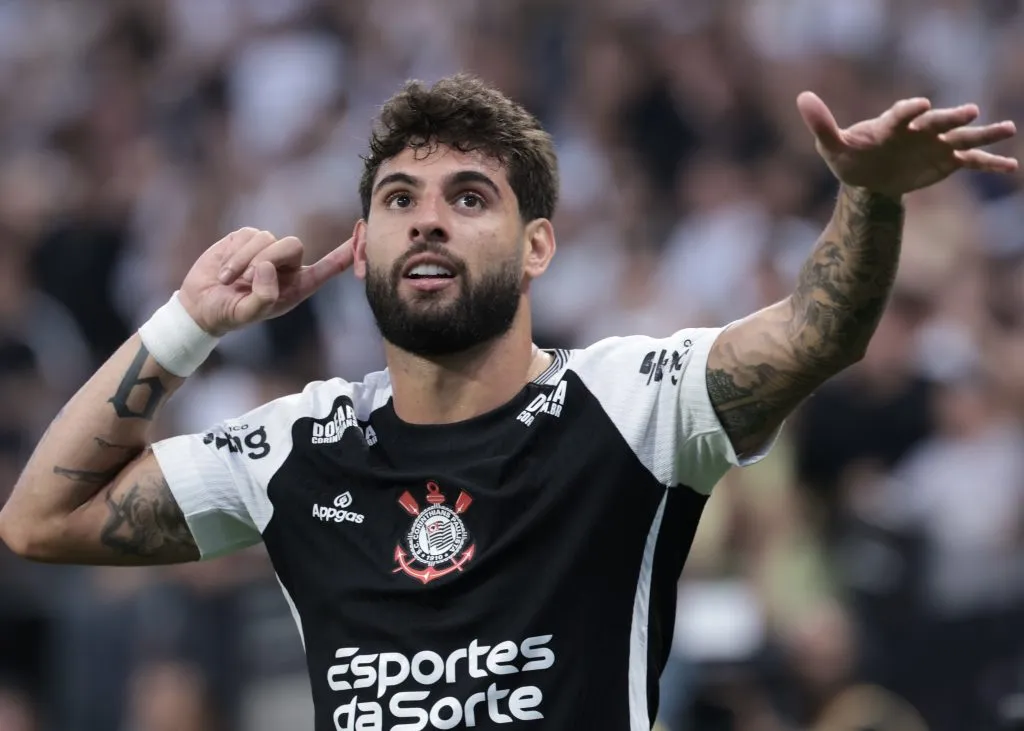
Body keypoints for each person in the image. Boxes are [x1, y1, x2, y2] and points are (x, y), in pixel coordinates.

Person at [0, 74, 1016, 730]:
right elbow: (41, 518)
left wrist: (870, 197)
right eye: (398, 199)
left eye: (468, 197)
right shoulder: (296, 445)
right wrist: (187, 323)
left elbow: (815, 331)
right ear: (360, 250)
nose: (427, 220)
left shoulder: (630, 402)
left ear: (539, 244)